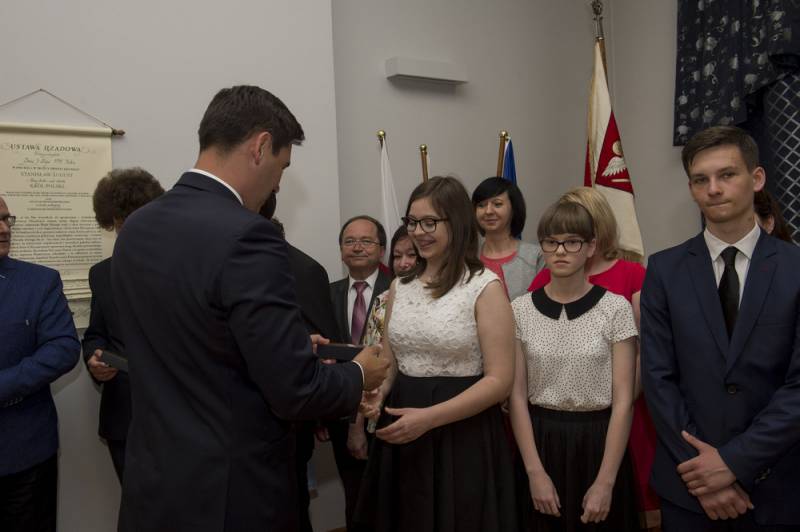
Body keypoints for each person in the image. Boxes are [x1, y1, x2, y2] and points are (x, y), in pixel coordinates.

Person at [111, 85, 389, 532]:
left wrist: (287, 345)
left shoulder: (138, 227)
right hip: (230, 493)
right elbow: (295, 391)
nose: (278, 184)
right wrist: (360, 373)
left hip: (155, 483)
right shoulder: (248, 236)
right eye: (283, 167)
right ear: (261, 146)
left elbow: (193, 340)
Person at [641, 125, 800, 530]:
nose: (713, 189)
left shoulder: (795, 269)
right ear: (691, 189)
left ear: (757, 178)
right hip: (689, 489)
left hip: (777, 487)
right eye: (700, 180)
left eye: (727, 174)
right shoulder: (664, 269)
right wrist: (704, 475)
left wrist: (732, 462)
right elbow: (659, 380)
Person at [356, 176, 518, 532]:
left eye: (429, 222)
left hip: (463, 430)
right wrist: (378, 394)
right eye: (412, 222)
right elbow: (390, 362)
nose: (418, 232)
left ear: (456, 222)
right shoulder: (400, 286)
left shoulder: (484, 287)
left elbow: (500, 380)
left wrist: (429, 418)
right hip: (403, 423)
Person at [528, 186, 660, 529]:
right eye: (554, 237)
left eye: (574, 231)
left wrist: (620, 400)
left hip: (617, 410)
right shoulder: (544, 279)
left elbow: (648, 347)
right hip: (554, 420)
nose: (562, 245)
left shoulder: (631, 275)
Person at [259, 191, 340, 532]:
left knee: (289, 502)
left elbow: (325, 344)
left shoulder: (302, 269)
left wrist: (322, 412)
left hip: (286, 415)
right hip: (268, 414)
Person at [0, 195, 80, 532]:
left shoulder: (39, 282)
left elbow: (63, 347)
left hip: (23, 453)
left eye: (7, 219)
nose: (4, 229)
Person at [82, 167, 164, 483]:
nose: (128, 227)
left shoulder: (182, 266)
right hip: (123, 418)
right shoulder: (101, 274)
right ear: (112, 221)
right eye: (120, 220)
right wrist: (94, 360)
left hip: (177, 417)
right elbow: (95, 335)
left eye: (136, 217)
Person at [328, 215, 391, 531]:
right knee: (354, 498)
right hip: (341, 410)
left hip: (389, 410)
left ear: (381, 250)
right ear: (341, 250)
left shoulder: (398, 290)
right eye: (349, 241)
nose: (357, 247)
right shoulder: (327, 293)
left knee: (391, 498)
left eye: (366, 241)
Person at [472, 176, 544, 299]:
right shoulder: (467, 257)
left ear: (513, 209)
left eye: (497, 204)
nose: (488, 211)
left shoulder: (536, 256)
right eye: (481, 205)